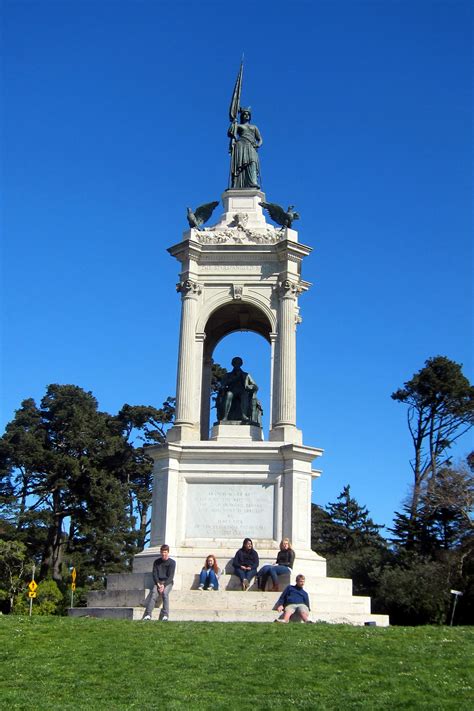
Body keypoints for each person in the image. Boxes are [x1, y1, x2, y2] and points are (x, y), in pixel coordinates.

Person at [215, 357, 259, 423]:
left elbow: (255, 386)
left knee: (244, 395)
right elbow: (222, 385)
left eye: (238, 363)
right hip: (231, 390)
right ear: (232, 364)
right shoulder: (228, 375)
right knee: (229, 394)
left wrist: (248, 386)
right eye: (235, 363)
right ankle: (225, 417)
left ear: (241, 364)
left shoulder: (246, 375)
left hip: (242, 391)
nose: (237, 364)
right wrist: (231, 380)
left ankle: (244, 415)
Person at [228, 107, 262, 189]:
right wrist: (233, 123)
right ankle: (236, 183)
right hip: (241, 146)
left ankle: (253, 182)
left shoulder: (254, 127)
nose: (246, 116)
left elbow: (260, 139)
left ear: (250, 117)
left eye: (248, 114)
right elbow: (230, 133)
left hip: (251, 146)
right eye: (244, 114)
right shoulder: (238, 126)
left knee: (252, 162)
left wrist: (258, 145)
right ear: (241, 116)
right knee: (239, 164)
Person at [142, 544, 176, 621]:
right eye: (162, 552)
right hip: (158, 582)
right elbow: (154, 574)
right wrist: (158, 584)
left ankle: (165, 615)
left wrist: (163, 585)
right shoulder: (156, 562)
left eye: (165, 552)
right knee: (154, 594)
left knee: (165, 594)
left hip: (168, 582)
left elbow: (171, 576)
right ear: (160, 552)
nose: (164, 554)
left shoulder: (172, 562)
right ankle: (148, 614)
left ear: (168, 552)